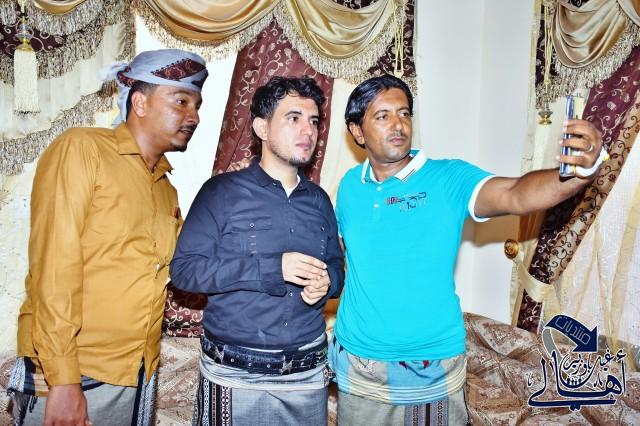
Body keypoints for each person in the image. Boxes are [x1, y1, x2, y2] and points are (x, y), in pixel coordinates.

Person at [329, 74, 606, 425]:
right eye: (382, 116)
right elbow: (342, 253)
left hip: (432, 365)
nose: (398, 124)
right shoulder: (350, 187)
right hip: (360, 363)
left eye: (404, 113)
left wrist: (580, 173)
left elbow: (516, 194)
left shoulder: (448, 178)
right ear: (357, 131)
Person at [8, 49, 208, 426]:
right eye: (181, 101)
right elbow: (54, 269)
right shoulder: (82, 149)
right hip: (74, 374)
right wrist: (63, 381)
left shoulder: (166, 190)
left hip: (136, 372)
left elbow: (184, 266)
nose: (194, 116)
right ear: (140, 102)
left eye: (197, 105)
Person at [170, 76, 344, 426]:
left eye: (313, 121)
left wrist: (328, 281)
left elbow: (337, 267)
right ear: (261, 127)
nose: (308, 131)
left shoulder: (320, 201)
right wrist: (271, 268)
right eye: (293, 118)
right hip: (234, 374)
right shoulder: (220, 192)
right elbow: (185, 271)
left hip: (308, 374)